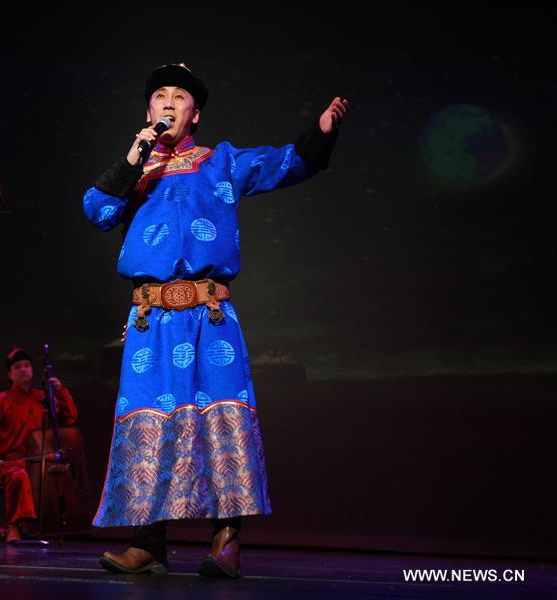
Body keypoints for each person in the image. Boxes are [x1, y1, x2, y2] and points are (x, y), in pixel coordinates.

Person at [82, 63, 348, 578]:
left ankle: (226, 541)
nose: (167, 102)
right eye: (159, 95)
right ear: (148, 111)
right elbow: (96, 211)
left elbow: (286, 163)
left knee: (221, 421)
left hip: (210, 316)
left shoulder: (221, 161)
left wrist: (320, 135)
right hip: (150, 321)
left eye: (178, 96)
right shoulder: (135, 171)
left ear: (194, 113)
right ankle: (148, 543)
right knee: (149, 425)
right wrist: (134, 160)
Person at [0, 347, 78, 543]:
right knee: (19, 476)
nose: (23, 370)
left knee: (60, 472)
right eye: (17, 367)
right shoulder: (0, 401)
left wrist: (60, 391)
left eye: (27, 366)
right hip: (9, 463)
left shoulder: (42, 398)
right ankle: (14, 528)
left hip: (39, 461)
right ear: (10, 374)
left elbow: (69, 418)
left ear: (32, 371)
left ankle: (56, 527)